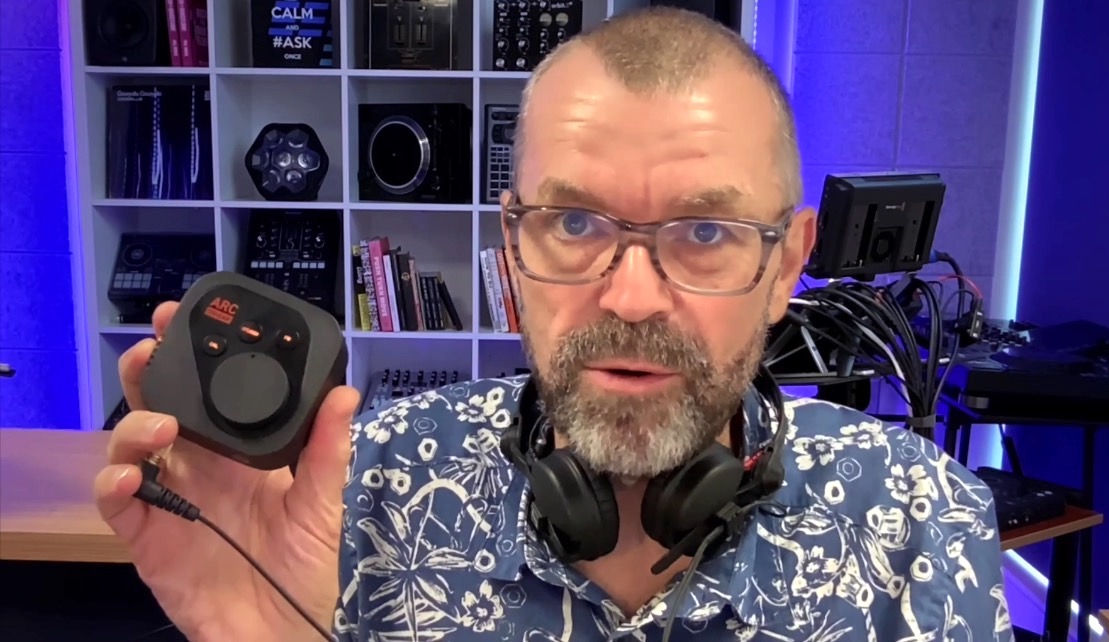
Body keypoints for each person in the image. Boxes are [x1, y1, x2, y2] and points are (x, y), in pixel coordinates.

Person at [94, 7, 1013, 641]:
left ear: (786, 263)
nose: (632, 297)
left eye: (706, 231)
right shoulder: (353, 499)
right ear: (511, 242)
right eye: (575, 224)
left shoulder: (918, 527)